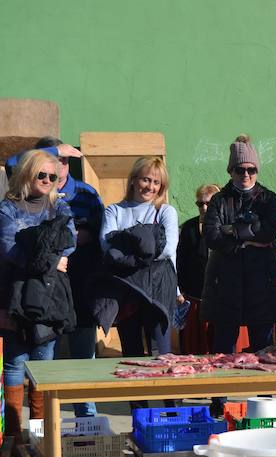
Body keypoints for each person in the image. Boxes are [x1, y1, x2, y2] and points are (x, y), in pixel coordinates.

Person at [202, 135, 276, 416]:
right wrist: (245, 235)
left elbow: (271, 229)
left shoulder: (268, 198)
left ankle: (266, 400)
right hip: (226, 283)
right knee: (223, 346)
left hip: (262, 282)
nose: (246, 175)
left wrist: (232, 232)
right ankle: (218, 400)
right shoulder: (219, 200)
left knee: (263, 346)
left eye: (251, 169)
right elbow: (211, 235)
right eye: (240, 170)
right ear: (230, 171)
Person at [0, 150, 76, 439]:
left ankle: (38, 435)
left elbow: (68, 246)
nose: (46, 180)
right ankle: (13, 437)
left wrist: (42, 252)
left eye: (52, 176)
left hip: (49, 297)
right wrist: (50, 260)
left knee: (43, 362)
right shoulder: (7, 209)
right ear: (26, 174)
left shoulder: (61, 210)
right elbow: (10, 251)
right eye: (40, 174)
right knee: (15, 363)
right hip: (13, 294)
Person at [32, 137, 105, 418]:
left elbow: (102, 235)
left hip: (81, 286)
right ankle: (44, 424)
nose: (59, 166)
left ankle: (87, 420)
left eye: (63, 160)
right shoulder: (33, 191)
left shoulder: (86, 194)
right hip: (46, 288)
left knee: (83, 358)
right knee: (45, 360)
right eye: (54, 158)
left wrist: (81, 238)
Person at [99, 157, 178, 409]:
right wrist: (143, 250)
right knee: (132, 358)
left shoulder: (165, 211)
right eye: (146, 179)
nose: (150, 186)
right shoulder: (114, 210)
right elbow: (106, 246)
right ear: (134, 179)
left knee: (162, 356)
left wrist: (127, 252)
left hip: (159, 291)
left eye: (156, 182)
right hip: (128, 292)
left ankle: (172, 413)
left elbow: (168, 250)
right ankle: (139, 418)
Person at [177, 184, 218, 300]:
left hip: (223, 294)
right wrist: (181, 289)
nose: (204, 208)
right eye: (200, 204)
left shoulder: (227, 226)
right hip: (195, 294)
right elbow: (181, 259)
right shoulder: (189, 227)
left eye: (208, 203)